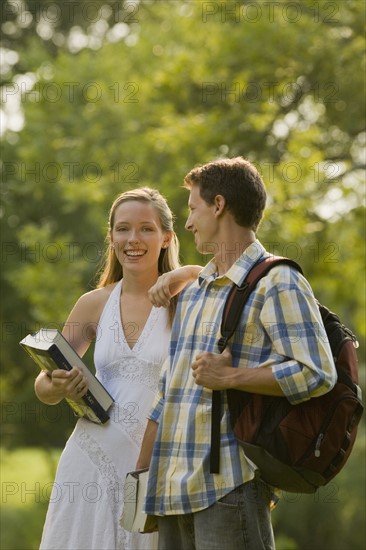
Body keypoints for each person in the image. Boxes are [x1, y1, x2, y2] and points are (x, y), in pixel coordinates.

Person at [136, 157, 337, 550]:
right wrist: (142, 472)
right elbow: (167, 394)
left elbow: (317, 373)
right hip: (171, 490)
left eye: (193, 208)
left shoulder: (278, 281)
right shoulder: (195, 289)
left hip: (230, 488)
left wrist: (230, 377)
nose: (189, 222)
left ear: (219, 205)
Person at [34, 187, 199, 550]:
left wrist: (184, 272)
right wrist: (58, 385)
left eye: (146, 228)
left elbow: (228, 282)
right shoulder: (93, 304)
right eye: (123, 229)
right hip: (88, 461)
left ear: (166, 237)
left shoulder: (187, 299)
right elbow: (43, 384)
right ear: (111, 237)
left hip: (155, 467)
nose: (133, 239)